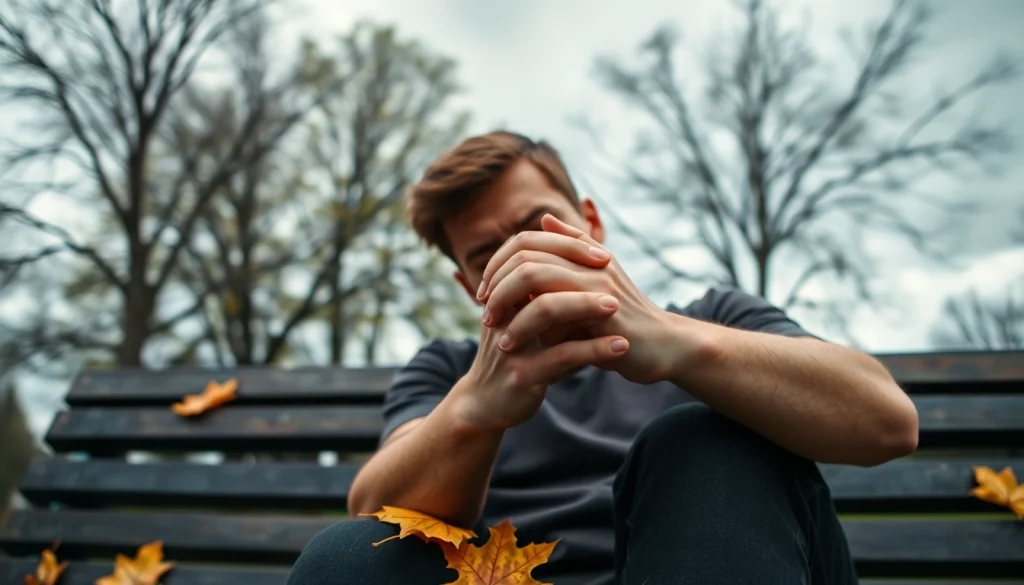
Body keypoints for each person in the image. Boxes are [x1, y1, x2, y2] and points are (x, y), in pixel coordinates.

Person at [287, 131, 919, 585]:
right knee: (349, 555)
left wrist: (676, 342)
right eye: (488, 257)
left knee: (705, 441)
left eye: (540, 224)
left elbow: (888, 422)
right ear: (466, 284)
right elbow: (373, 509)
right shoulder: (449, 369)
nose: (525, 257)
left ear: (591, 221)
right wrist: (475, 409)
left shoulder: (717, 316)